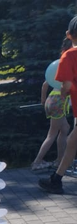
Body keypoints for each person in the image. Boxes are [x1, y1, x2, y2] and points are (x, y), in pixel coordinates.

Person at [40, 17, 77, 194]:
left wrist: (63, 94)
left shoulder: (69, 56)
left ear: (68, 34)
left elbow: (66, 85)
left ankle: (56, 180)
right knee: (72, 141)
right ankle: (56, 179)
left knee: (72, 140)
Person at [32, 38, 73, 172]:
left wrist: (43, 100)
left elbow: (45, 84)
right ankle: (37, 162)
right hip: (59, 102)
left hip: (51, 99)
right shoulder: (69, 64)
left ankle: (59, 161)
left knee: (65, 128)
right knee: (52, 134)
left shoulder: (58, 64)